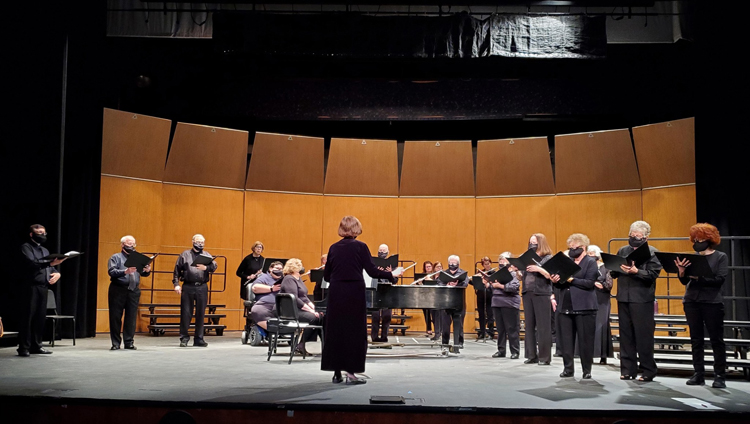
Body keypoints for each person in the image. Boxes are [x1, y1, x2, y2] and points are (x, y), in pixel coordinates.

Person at [321, 216, 402, 384]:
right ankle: (350, 373)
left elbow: (327, 276)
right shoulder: (361, 247)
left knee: (336, 331)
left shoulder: (333, 248)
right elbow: (372, 271)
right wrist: (391, 274)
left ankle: (336, 373)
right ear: (356, 229)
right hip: (354, 293)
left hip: (336, 293)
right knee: (353, 332)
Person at [675, 223, 729, 388]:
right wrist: (682, 272)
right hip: (692, 301)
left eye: (701, 239)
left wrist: (701, 278)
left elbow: (720, 279)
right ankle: (698, 373)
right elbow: (685, 281)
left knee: (716, 340)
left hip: (712, 302)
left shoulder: (720, 257)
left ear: (710, 239)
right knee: (696, 339)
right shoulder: (693, 257)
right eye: (695, 239)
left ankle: (719, 375)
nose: (697, 242)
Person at [610, 220, 663, 381]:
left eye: (638, 236)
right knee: (626, 335)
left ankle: (648, 370)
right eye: (632, 235)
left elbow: (652, 275)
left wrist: (636, 271)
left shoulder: (652, 252)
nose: (634, 238)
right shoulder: (623, 250)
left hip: (641, 299)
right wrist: (614, 268)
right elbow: (615, 272)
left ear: (646, 238)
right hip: (623, 297)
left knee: (643, 336)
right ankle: (627, 370)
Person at [552, 234, 598, 379]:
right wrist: (556, 280)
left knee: (585, 340)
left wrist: (571, 279)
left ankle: (586, 370)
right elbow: (560, 284)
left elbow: (589, 283)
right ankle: (568, 369)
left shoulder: (590, 262)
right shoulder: (568, 262)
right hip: (566, 304)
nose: (572, 250)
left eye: (575, 247)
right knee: (566, 340)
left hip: (584, 307)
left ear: (583, 247)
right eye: (570, 247)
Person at [18, 224, 63, 356]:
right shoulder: (25, 247)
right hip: (30, 287)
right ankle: (24, 347)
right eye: (39, 233)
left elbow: (50, 268)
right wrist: (50, 264)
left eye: (44, 233)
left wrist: (57, 273)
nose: (42, 235)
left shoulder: (45, 250)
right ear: (32, 234)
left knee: (39, 318)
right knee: (28, 318)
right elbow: (31, 264)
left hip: (43, 287)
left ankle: (36, 345)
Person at [173, 234, 217, 347]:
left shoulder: (206, 255)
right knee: (186, 313)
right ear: (193, 241)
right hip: (188, 286)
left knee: (200, 313)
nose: (200, 244)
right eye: (198, 241)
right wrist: (176, 284)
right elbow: (177, 270)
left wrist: (206, 268)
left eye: (203, 242)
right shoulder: (184, 254)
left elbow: (214, 266)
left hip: (202, 287)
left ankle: (199, 339)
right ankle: (184, 338)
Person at [107, 235, 151, 350]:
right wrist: (125, 271)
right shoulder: (115, 257)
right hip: (118, 289)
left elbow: (142, 273)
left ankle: (129, 342)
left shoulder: (138, 257)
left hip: (133, 291)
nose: (131, 246)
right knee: (115, 317)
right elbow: (111, 271)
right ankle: (116, 343)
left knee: (131, 317)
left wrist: (147, 270)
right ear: (122, 245)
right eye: (128, 243)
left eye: (133, 244)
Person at [521, 233, 554, 365]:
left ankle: (544, 357)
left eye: (534, 242)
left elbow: (551, 276)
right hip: (527, 292)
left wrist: (539, 269)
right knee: (529, 325)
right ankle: (531, 355)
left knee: (543, 326)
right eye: (530, 242)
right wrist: (518, 271)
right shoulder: (527, 257)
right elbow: (524, 276)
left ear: (541, 243)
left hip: (541, 293)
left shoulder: (548, 258)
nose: (532, 245)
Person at [278, 258, 322, 356]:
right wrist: (310, 311)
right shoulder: (289, 278)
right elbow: (295, 298)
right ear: (294, 267)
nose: (302, 267)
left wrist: (314, 308)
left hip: (297, 308)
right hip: (289, 310)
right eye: (300, 265)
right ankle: (301, 344)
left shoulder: (298, 278)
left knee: (320, 316)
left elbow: (304, 297)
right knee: (314, 318)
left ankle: (321, 345)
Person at [491, 252, 521, 359]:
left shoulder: (514, 274)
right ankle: (501, 350)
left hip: (509, 303)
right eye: (500, 260)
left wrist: (499, 285)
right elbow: (493, 289)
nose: (502, 262)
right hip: (497, 302)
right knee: (500, 329)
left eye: (504, 260)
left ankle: (515, 351)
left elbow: (513, 287)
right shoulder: (496, 273)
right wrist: (488, 284)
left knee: (512, 328)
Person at [587, 245, 614, 364]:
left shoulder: (606, 267)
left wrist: (600, 284)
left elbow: (609, 285)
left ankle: (603, 355)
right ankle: (590, 354)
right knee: (589, 326)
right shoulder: (588, 267)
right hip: (590, 297)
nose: (590, 256)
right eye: (588, 254)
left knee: (601, 326)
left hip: (602, 299)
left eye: (592, 254)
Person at [439, 255, 469, 346]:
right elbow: (439, 283)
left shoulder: (463, 273)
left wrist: (456, 284)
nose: (452, 264)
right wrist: (447, 284)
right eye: (450, 263)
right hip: (446, 302)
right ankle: (445, 342)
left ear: (458, 264)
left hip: (459, 302)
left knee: (459, 324)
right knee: (445, 324)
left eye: (454, 263)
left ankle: (459, 342)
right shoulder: (443, 273)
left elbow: (465, 283)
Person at [249, 261, 283, 330]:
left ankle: (285, 330)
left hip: (281, 305)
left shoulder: (284, 279)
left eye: (281, 269)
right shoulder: (264, 277)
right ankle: (275, 330)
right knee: (257, 310)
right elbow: (255, 288)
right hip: (265, 304)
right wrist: (271, 288)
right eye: (277, 268)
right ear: (271, 268)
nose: (279, 270)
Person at [370, 244, 393, 342]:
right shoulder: (373, 263)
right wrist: (377, 272)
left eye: (384, 251)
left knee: (387, 316)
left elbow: (395, 280)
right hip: (376, 291)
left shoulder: (392, 264)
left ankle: (384, 337)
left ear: (388, 252)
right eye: (380, 250)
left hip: (388, 292)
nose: (382, 252)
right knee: (375, 316)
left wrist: (390, 273)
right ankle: (374, 337)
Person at [475, 256, 496, 340]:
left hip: (490, 295)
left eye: (488, 264)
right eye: (485, 264)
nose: (487, 266)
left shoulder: (494, 273)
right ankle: (482, 332)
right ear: (483, 265)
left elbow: (495, 283)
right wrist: (477, 278)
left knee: (490, 314)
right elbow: (473, 283)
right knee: (481, 314)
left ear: (490, 263)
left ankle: (491, 332)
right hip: (481, 295)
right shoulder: (480, 273)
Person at [421, 261, 435, 337]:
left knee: (434, 313)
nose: (428, 268)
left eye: (429, 266)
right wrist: (420, 282)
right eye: (427, 267)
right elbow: (419, 286)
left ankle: (437, 328)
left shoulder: (435, 275)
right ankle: (428, 328)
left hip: (433, 297)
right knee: (426, 314)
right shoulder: (422, 276)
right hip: (425, 297)